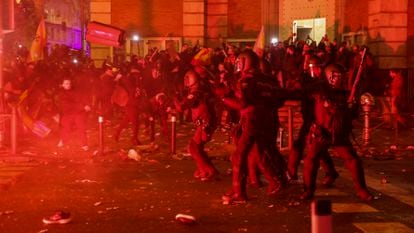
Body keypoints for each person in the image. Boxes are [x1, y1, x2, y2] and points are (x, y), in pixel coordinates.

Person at [300, 63, 373, 201]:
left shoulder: (344, 93)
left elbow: (350, 116)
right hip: (321, 132)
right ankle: (308, 190)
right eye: (340, 76)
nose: (343, 79)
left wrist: (352, 107)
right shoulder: (319, 89)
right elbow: (306, 98)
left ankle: (362, 190)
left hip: (339, 133)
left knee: (352, 160)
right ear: (331, 77)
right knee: (311, 160)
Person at [221, 50, 285, 204]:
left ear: (244, 62)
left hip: (252, 120)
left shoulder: (248, 80)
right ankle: (277, 181)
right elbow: (280, 100)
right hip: (268, 120)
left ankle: (239, 193)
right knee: (260, 152)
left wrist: (224, 98)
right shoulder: (269, 80)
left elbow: (242, 104)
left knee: (239, 156)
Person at [287, 56, 339, 186]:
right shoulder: (308, 80)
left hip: (318, 120)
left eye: (317, 67)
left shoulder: (322, 83)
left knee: (307, 148)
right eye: (314, 67)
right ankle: (330, 172)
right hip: (310, 118)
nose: (316, 70)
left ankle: (292, 173)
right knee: (315, 149)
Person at [175, 67, 218, 181]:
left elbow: (181, 107)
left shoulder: (196, 92)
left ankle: (209, 170)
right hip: (206, 122)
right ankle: (204, 169)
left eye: (187, 79)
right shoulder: (202, 88)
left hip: (205, 123)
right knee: (197, 147)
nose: (186, 82)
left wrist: (174, 99)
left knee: (193, 147)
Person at [57, 78, 91, 151]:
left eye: (69, 83)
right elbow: (68, 105)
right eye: (66, 83)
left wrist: (87, 105)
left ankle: (84, 144)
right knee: (66, 129)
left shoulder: (76, 91)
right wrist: (83, 107)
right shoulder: (61, 94)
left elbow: (83, 98)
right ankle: (63, 141)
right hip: (68, 114)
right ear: (62, 85)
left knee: (81, 128)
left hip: (78, 113)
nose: (68, 85)